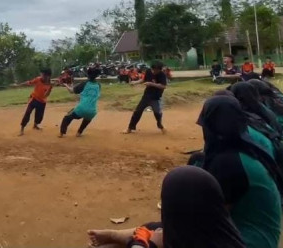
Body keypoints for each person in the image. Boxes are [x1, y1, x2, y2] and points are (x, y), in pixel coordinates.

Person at [197, 96, 282, 248]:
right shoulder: (244, 148)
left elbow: (215, 215)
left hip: (250, 241)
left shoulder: (227, 162)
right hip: (263, 235)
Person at [87, 166, 245, 248]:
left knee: (152, 234)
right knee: (153, 227)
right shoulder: (222, 232)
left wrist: (143, 244)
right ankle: (114, 234)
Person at [123, 61, 167, 134]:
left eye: (156, 70)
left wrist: (152, 84)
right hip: (146, 96)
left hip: (155, 97)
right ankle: (130, 128)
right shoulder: (148, 71)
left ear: (160, 70)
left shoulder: (162, 75)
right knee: (137, 112)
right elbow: (143, 80)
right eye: (153, 69)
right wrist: (135, 82)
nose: (153, 72)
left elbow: (163, 86)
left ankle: (160, 126)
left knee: (157, 113)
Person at [59, 67, 101, 137]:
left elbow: (71, 91)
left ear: (88, 75)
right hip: (93, 111)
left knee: (67, 117)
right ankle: (79, 133)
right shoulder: (98, 85)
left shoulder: (85, 83)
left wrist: (66, 85)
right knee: (87, 118)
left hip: (81, 109)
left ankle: (61, 133)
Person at [13, 69, 53, 136]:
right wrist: (19, 85)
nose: (41, 76)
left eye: (43, 75)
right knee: (28, 112)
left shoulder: (49, 84)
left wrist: (50, 89)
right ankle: (22, 129)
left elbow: (45, 95)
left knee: (39, 116)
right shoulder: (38, 79)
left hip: (42, 101)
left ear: (48, 76)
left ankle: (35, 125)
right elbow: (29, 82)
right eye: (41, 74)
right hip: (34, 99)